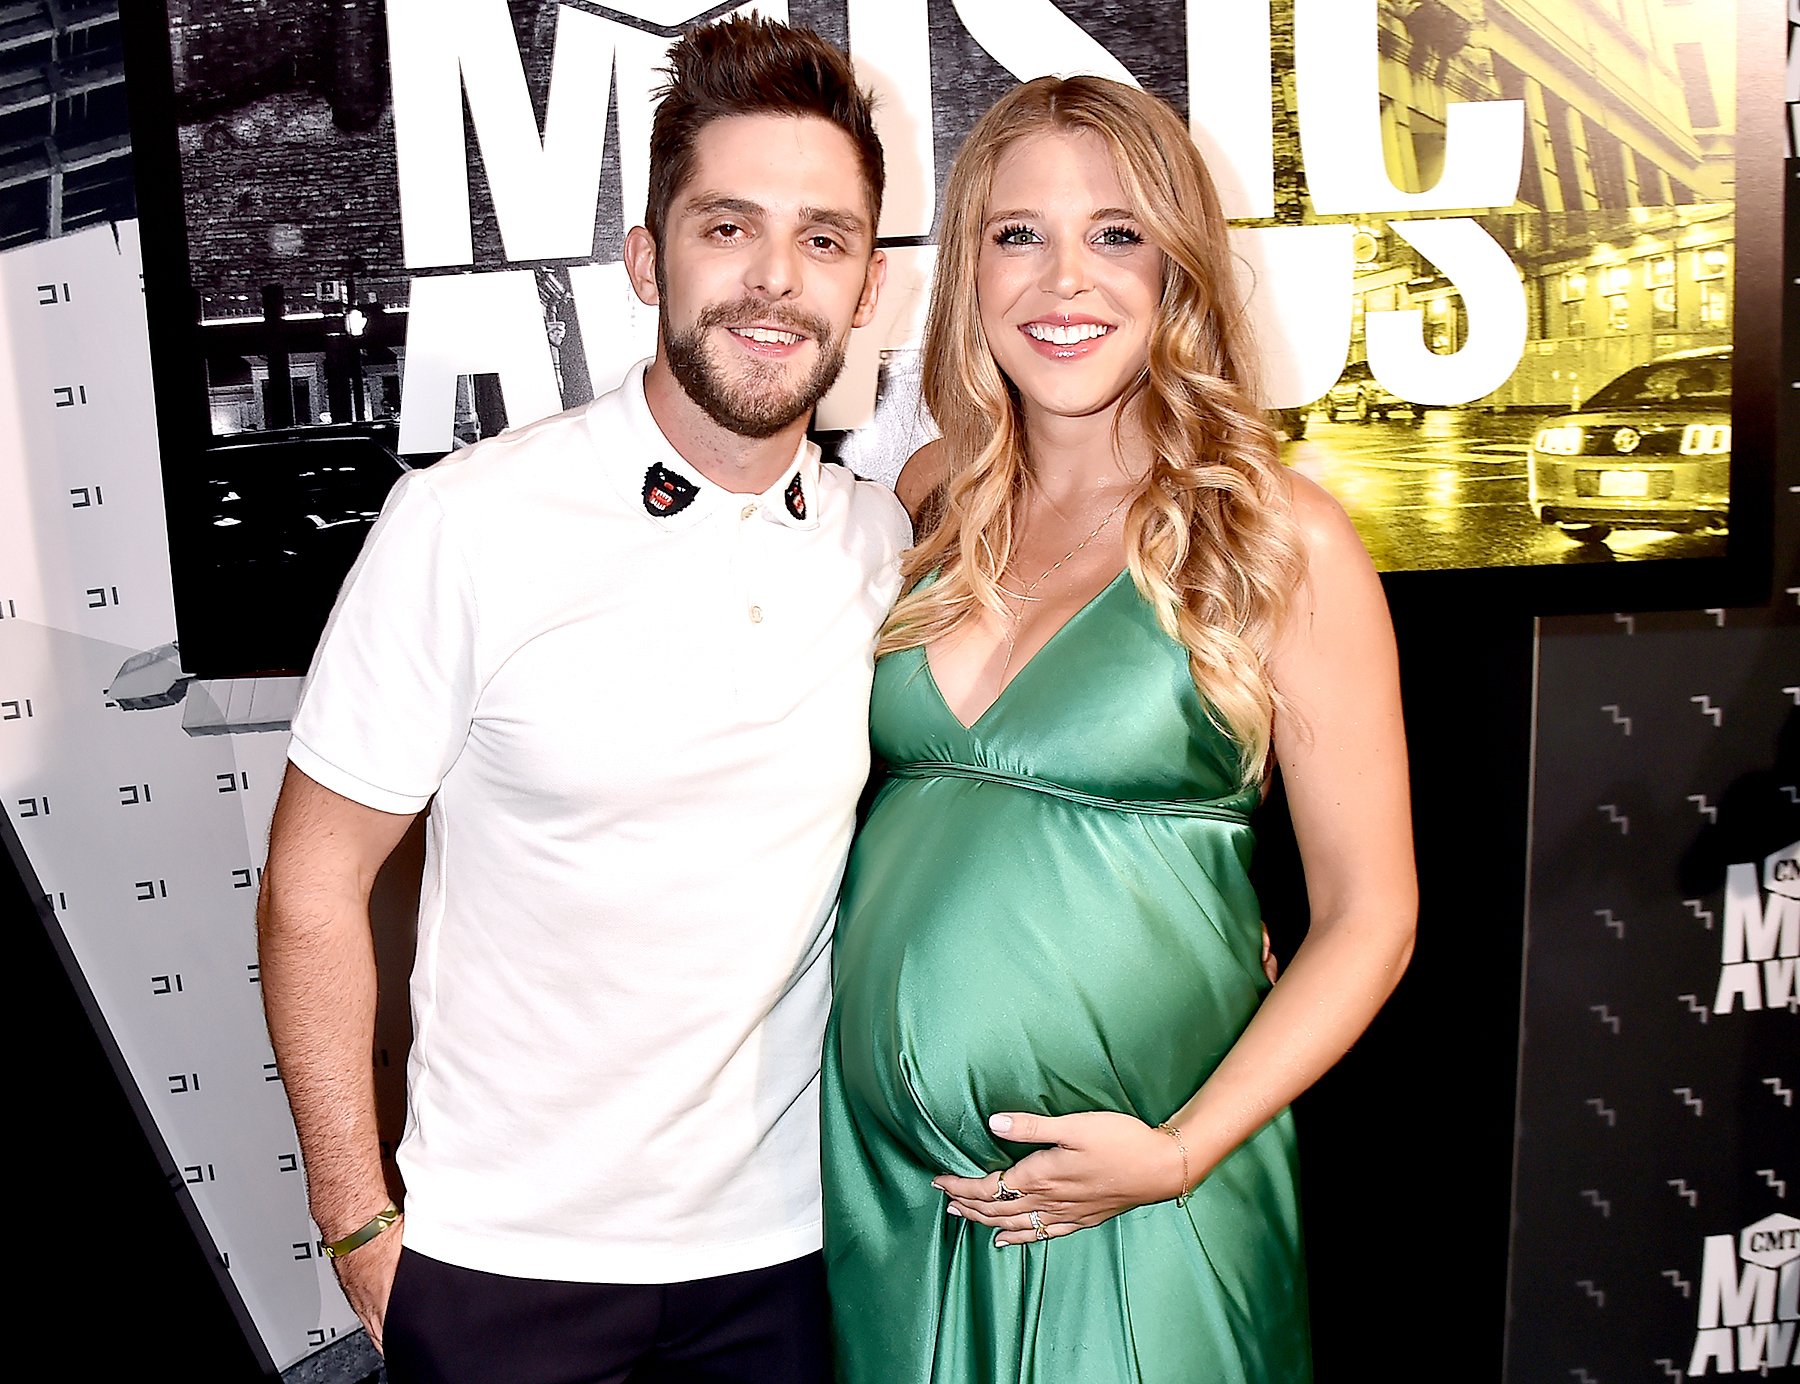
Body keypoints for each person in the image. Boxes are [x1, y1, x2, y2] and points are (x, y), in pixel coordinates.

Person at [257, 18, 908, 1384]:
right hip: (504, 1270)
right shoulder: (464, 523)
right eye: (728, 227)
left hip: (794, 1260)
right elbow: (314, 883)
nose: (775, 280)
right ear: (644, 258)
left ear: (866, 292)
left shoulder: (887, 548)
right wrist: (354, 1219)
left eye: (825, 239)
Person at [820, 76, 1417, 1383]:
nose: (1062, 280)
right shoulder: (932, 500)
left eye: (1117, 234)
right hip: (900, 1198)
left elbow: (1373, 916)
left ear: (1179, 270)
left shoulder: (1278, 537)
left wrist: (1182, 1150)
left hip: (1149, 1190)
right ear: (970, 265)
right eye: (1018, 233)